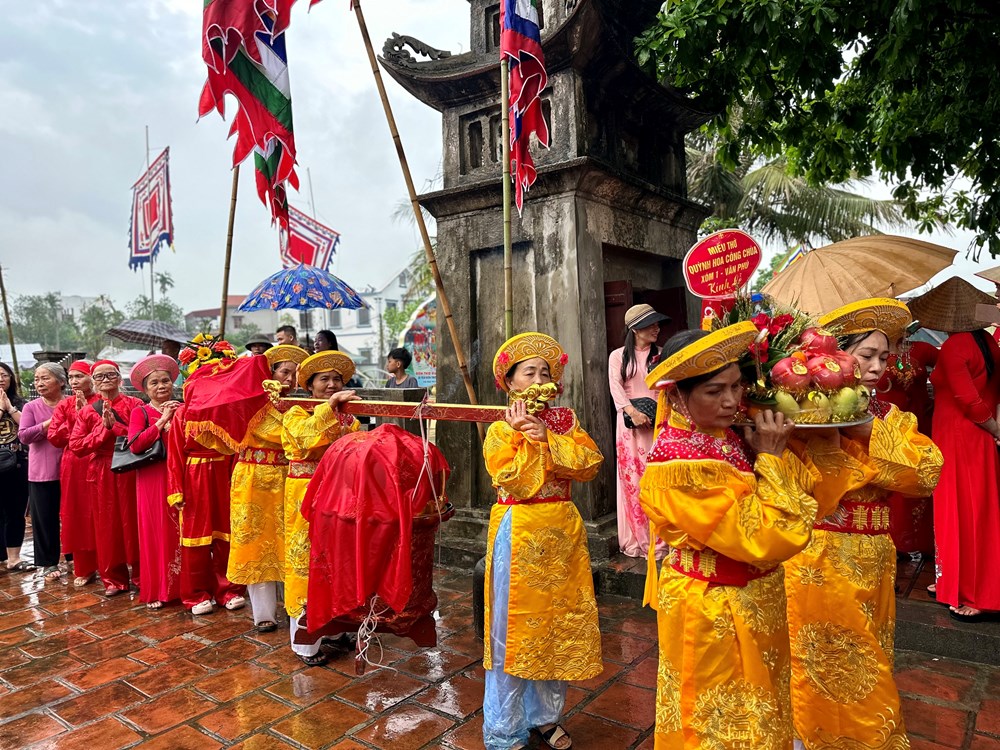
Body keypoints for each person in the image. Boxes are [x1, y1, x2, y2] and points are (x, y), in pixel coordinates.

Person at [639, 325, 819, 749]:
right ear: (677, 397)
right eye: (714, 390)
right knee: (718, 723)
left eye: (737, 386)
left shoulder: (727, 435)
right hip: (713, 606)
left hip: (755, 597)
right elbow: (767, 535)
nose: (730, 400)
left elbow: (811, 492)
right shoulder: (679, 462)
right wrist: (770, 459)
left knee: (763, 705)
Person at [784, 298, 943, 749]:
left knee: (871, 655)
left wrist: (866, 432)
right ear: (833, 356)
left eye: (884, 357)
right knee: (827, 664)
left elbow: (926, 474)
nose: (876, 367)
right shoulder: (802, 416)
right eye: (866, 355)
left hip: (876, 556)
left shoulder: (889, 418)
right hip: (819, 556)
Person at [482, 333, 603, 750]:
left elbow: (589, 464)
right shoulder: (500, 428)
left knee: (557, 626)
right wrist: (529, 440)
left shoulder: (566, 422)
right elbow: (513, 480)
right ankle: (504, 726)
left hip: (563, 531)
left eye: (545, 373)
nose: (538, 380)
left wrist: (548, 438)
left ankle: (546, 717)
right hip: (518, 530)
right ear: (510, 382)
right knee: (511, 630)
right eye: (528, 373)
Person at [923, 283, 1000, 621]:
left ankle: (978, 594)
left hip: (960, 440)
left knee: (961, 514)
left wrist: (994, 429)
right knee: (975, 513)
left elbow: (969, 400)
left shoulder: (956, 345)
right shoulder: (987, 342)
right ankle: (952, 580)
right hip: (973, 439)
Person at [282, 350, 360, 666]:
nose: (331, 384)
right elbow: (305, 439)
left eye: (336, 379)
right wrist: (330, 409)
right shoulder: (295, 413)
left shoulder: (349, 417)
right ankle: (306, 644)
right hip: (305, 495)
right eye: (324, 379)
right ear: (309, 386)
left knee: (338, 562)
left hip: (339, 494)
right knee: (306, 562)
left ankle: (337, 629)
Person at [229, 344, 308, 633]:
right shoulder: (253, 401)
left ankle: (294, 606)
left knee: (292, 543)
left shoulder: (298, 405)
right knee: (256, 544)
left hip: (288, 477)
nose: (289, 378)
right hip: (254, 478)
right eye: (284, 372)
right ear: (269, 374)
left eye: (294, 374)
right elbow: (279, 434)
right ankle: (263, 613)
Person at [68, 360, 143, 596]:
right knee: (106, 526)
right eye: (99, 376)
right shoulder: (88, 411)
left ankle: (141, 574)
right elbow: (76, 445)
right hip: (101, 470)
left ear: (119, 378)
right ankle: (113, 579)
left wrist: (116, 428)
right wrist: (103, 430)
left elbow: (143, 436)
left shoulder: (135, 404)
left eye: (110, 374)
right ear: (93, 381)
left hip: (131, 467)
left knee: (134, 521)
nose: (105, 380)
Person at [608, 303, 669, 558]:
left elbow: (667, 388)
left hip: (658, 421)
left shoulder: (662, 354)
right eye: (650, 324)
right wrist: (632, 412)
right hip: (630, 424)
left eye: (657, 323)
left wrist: (660, 415)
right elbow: (615, 387)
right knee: (633, 478)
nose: (656, 328)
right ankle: (638, 538)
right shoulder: (618, 356)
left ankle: (662, 539)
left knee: (657, 477)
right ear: (635, 329)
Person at [875, 330, 938, 556]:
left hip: (921, 425)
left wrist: (939, 399)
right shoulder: (875, 351)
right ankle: (895, 543)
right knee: (893, 481)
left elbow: (949, 371)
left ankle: (926, 541)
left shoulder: (923, 350)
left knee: (921, 479)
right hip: (889, 427)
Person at [128, 355, 182, 609]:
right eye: (154, 383)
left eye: (165, 381)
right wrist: (162, 421)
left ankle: (185, 587)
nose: (161, 386)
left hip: (179, 476)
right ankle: (157, 589)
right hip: (152, 477)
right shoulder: (140, 412)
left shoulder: (183, 408)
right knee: (155, 531)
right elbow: (136, 444)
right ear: (146, 389)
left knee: (181, 530)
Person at [47, 361, 100, 586]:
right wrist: (76, 419)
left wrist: (86, 416)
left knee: (102, 512)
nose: (74, 381)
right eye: (71, 377)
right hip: (74, 464)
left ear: (91, 378)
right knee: (77, 513)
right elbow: (54, 437)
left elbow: (106, 431)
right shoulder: (65, 404)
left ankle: (110, 564)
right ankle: (84, 567)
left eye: (80, 376)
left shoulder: (103, 401)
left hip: (98, 459)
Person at [18, 363, 70, 581]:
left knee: (73, 516)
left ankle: (75, 556)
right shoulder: (31, 407)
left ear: (61, 381)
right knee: (44, 519)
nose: (39, 383)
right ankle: (48, 562)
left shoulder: (72, 403)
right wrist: (51, 422)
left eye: (45, 378)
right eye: (37, 379)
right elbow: (24, 436)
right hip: (42, 471)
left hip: (71, 469)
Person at [0, 362, 30, 573]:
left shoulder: (21, 403)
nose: (0, 379)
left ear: (11, 378)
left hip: (17, 463)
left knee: (15, 511)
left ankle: (13, 558)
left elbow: (27, 428)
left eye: (4, 375)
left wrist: (10, 408)